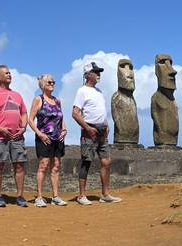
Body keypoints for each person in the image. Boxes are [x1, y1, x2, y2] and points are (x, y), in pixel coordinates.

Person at [72, 62, 121, 205]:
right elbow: (75, 113)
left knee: (106, 161)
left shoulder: (99, 92)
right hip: (90, 131)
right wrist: (87, 128)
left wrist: (106, 125)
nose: (99, 74)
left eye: (99, 72)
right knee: (86, 162)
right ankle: (82, 195)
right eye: (95, 72)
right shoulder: (82, 91)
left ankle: (105, 194)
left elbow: (101, 111)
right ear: (88, 75)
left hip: (102, 130)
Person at [0, 65, 29, 207]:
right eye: (6, 73)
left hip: (17, 136)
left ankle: (20, 196)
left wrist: (23, 127)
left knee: (20, 166)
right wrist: (0, 128)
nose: (10, 75)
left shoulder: (17, 95)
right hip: (0, 137)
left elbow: (24, 113)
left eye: (10, 72)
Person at [28, 74, 68, 207]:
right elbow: (30, 119)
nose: (52, 84)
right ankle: (39, 197)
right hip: (44, 138)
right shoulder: (38, 99)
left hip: (58, 139)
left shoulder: (57, 101)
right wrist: (39, 134)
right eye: (49, 82)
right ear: (43, 85)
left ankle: (55, 196)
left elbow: (61, 117)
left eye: (53, 82)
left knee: (56, 166)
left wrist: (64, 129)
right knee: (43, 166)